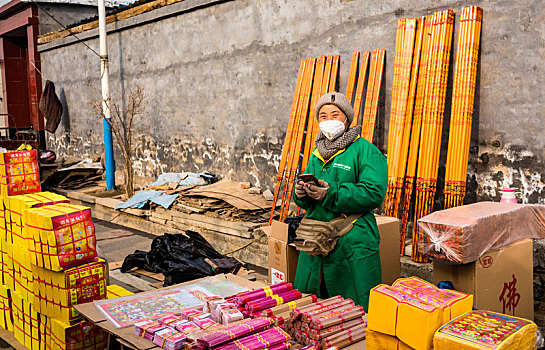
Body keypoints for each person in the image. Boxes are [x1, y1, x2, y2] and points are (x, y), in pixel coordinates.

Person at [292, 92, 387, 311]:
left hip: (352, 240)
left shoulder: (365, 151)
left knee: (355, 309)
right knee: (312, 309)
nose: (328, 120)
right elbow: (305, 202)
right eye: (323, 115)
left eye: (335, 114)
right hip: (317, 238)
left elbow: (374, 192)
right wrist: (301, 193)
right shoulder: (317, 153)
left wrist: (331, 193)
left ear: (346, 118)